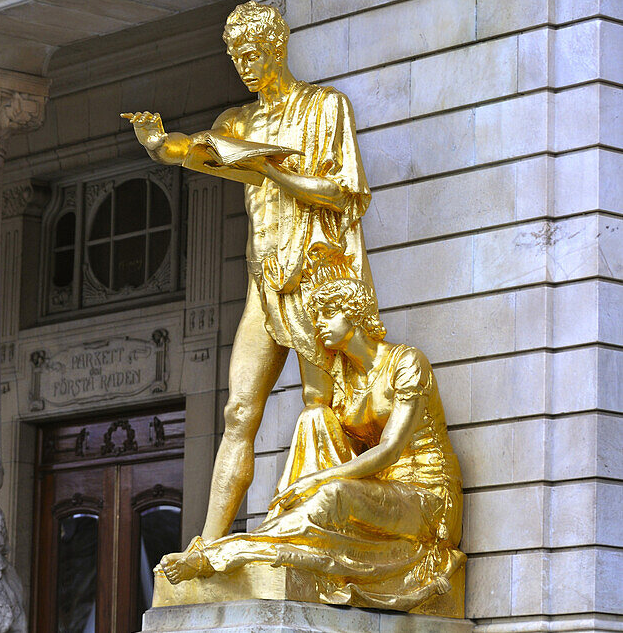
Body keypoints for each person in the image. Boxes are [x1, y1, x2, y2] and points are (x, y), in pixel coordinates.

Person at [123, 2, 374, 541]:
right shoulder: (236, 122)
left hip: (317, 278)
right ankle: (210, 542)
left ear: (276, 47)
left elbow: (342, 193)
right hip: (265, 282)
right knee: (239, 410)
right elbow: (199, 150)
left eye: (251, 53)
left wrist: (267, 170)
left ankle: (326, 528)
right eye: (235, 56)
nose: (242, 65)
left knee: (321, 407)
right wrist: (160, 147)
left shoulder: (325, 107)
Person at [157, 261, 464, 611]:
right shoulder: (345, 382)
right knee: (314, 417)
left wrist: (318, 480)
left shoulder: (407, 362)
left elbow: (390, 450)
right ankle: (275, 537)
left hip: (427, 496)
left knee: (333, 494)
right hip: (381, 488)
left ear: (354, 315)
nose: (318, 325)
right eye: (316, 317)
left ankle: (224, 552)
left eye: (327, 315)